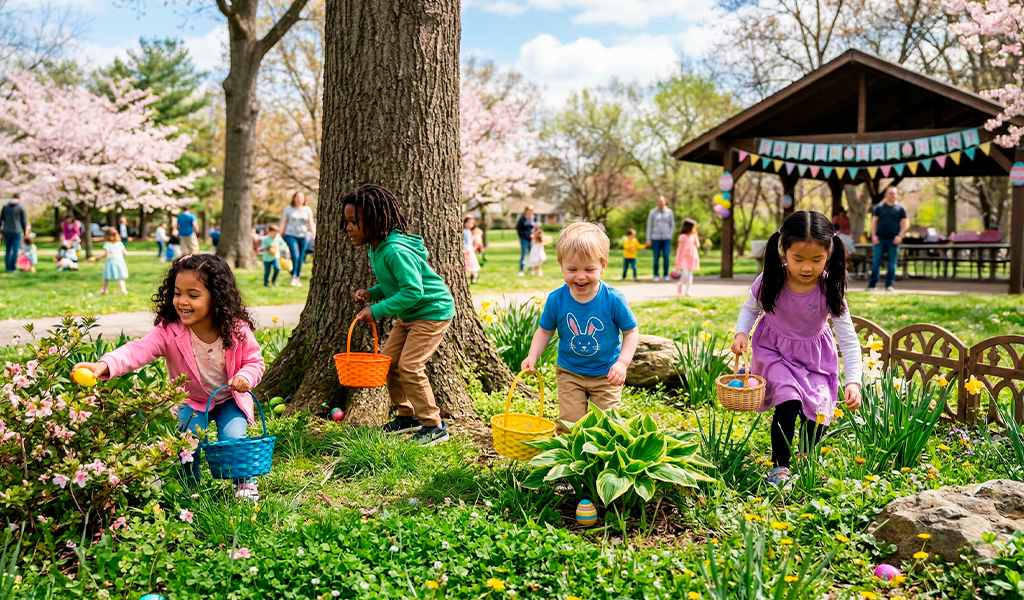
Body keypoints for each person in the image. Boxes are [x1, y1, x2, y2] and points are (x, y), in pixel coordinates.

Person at [73, 254, 266, 501]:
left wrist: (245, 377)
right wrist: (104, 364)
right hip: (193, 401)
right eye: (177, 293)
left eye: (193, 295)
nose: (182, 301)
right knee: (186, 444)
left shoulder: (236, 329)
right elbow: (138, 349)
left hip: (230, 400)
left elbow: (254, 361)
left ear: (216, 297)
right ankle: (188, 487)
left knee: (234, 440)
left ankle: (244, 484)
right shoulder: (170, 331)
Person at [731, 211, 863, 486]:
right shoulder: (771, 280)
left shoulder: (830, 288)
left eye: (817, 260)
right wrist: (741, 332)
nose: (806, 268)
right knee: (788, 403)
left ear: (829, 252)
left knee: (817, 413)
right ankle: (780, 466)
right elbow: (750, 308)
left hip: (815, 358)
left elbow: (848, 338)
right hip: (775, 352)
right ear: (784, 250)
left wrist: (854, 382)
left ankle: (804, 458)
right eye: (798, 259)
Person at [345, 184, 455, 446]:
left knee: (410, 366)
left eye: (354, 222)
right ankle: (407, 417)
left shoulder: (395, 250)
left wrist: (376, 310)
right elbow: (395, 283)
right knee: (388, 362)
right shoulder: (378, 247)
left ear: (373, 221)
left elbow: (413, 290)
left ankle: (433, 424)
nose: (347, 228)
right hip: (410, 314)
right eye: (346, 222)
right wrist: (372, 293)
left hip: (431, 311)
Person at [521, 220, 640, 432]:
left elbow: (630, 332)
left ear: (603, 266)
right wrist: (533, 355)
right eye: (572, 269)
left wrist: (622, 363)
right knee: (570, 423)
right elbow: (545, 330)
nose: (581, 276)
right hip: (570, 372)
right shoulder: (557, 299)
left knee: (606, 426)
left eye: (589, 269)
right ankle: (572, 460)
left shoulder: (613, 299)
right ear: (561, 266)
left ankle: (600, 460)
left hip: (606, 375)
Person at [868, 185, 909, 292]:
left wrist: (900, 236)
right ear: (886, 194)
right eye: (890, 193)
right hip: (880, 239)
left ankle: (889, 285)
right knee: (876, 262)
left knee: (892, 263)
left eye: (894, 193)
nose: (892, 195)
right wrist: (874, 236)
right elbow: (873, 222)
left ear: (897, 195)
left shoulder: (900, 208)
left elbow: (905, 223)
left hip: (893, 240)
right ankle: (872, 285)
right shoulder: (879, 208)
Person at [281, 191, 316, 287]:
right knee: (295, 255)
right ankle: (293, 276)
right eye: (297, 197)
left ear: (304, 199)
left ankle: (297, 277)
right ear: (294, 198)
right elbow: (283, 222)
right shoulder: (288, 209)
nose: (299, 199)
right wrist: (280, 233)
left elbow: (311, 223)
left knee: (301, 257)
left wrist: (315, 234)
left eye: (301, 197)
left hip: (303, 236)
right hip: (290, 235)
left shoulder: (307, 210)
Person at [646, 196, 674, 281]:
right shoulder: (652, 212)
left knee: (666, 256)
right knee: (656, 257)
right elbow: (649, 225)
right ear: (656, 202)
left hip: (666, 238)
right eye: (658, 201)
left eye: (661, 201)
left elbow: (672, 225)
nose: (660, 203)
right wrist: (648, 238)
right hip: (656, 238)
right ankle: (656, 275)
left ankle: (666, 274)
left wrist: (670, 235)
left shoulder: (669, 212)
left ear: (665, 202)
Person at [1, 193, 28, 273]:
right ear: (19, 198)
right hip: (17, 230)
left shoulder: (5, 206)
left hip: (7, 230)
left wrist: (1, 231)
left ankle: (7, 267)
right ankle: (12, 268)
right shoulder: (20, 207)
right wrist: (24, 230)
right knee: (15, 250)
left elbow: (1, 219)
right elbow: (23, 220)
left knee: (8, 249)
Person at [675, 218, 700, 297]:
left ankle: (688, 290)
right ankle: (680, 283)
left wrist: (696, 238)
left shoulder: (693, 236)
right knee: (685, 274)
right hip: (684, 257)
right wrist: (677, 258)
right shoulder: (682, 236)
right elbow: (679, 248)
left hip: (692, 256)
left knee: (690, 274)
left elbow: (698, 245)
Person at [100, 228, 129, 295]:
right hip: (119, 261)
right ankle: (123, 290)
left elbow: (106, 255)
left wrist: (98, 258)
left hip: (111, 261)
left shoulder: (107, 244)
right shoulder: (120, 243)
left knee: (105, 277)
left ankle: (104, 290)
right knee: (119, 277)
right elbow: (125, 253)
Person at [516, 205, 536, 276]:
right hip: (524, 239)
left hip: (532, 239)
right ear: (526, 210)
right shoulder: (522, 219)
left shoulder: (534, 218)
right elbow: (518, 229)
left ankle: (531, 269)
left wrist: (534, 235)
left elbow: (535, 228)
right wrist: (522, 236)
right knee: (523, 254)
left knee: (532, 254)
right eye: (530, 210)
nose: (531, 211)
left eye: (532, 210)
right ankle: (522, 269)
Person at [463, 216, 480, 284]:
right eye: (468, 222)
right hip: (466, 250)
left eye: (472, 223)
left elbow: (469, 242)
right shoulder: (465, 231)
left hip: (469, 250)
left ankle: (474, 277)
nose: (470, 224)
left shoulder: (470, 232)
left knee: (472, 264)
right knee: (467, 264)